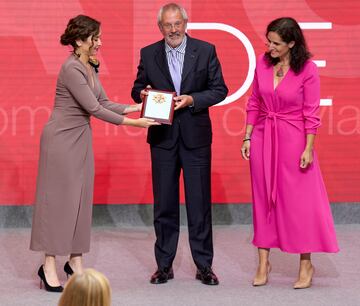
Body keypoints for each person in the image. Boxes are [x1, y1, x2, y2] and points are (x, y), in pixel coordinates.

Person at [30, 15, 159, 292]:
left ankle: (74, 261)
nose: (99, 43)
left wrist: (139, 107)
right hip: (61, 141)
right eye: (95, 38)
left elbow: (103, 101)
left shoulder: (88, 66)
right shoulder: (71, 69)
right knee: (59, 203)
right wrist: (136, 124)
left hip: (80, 139)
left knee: (79, 201)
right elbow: (95, 110)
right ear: (79, 41)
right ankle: (48, 264)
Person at [131, 3, 228, 285]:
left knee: (199, 204)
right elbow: (137, 88)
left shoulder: (206, 49)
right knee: (164, 205)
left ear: (185, 24)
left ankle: (204, 266)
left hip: (196, 138)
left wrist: (193, 100)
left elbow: (220, 89)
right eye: (167, 25)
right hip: (162, 138)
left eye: (177, 24)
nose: (173, 30)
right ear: (159, 27)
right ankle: (164, 266)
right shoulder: (148, 54)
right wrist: (143, 93)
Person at [241, 17, 339, 289]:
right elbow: (254, 101)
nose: (269, 47)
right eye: (268, 41)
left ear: (291, 44)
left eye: (276, 43)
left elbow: (311, 112)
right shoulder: (263, 62)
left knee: (299, 204)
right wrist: (247, 136)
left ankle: (306, 263)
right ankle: (263, 262)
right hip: (263, 137)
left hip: (295, 140)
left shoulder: (307, 69)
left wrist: (309, 147)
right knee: (263, 200)